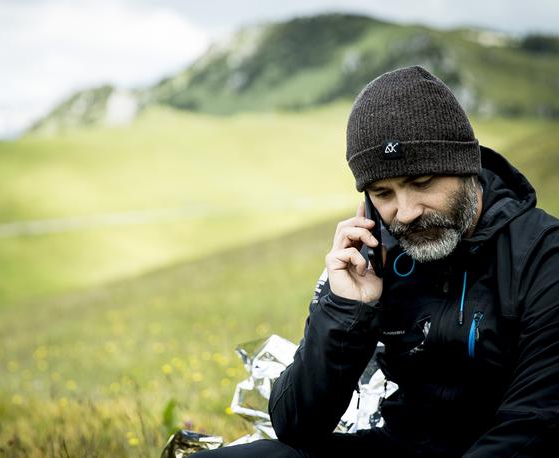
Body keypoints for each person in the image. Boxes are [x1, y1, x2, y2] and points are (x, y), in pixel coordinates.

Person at [193, 66, 559, 457]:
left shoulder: (543, 259)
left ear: (467, 166)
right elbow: (295, 426)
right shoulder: (377, 257)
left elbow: (533, 427)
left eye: (422, 182)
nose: (405, 212)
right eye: (383, 192)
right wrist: (347, 307)